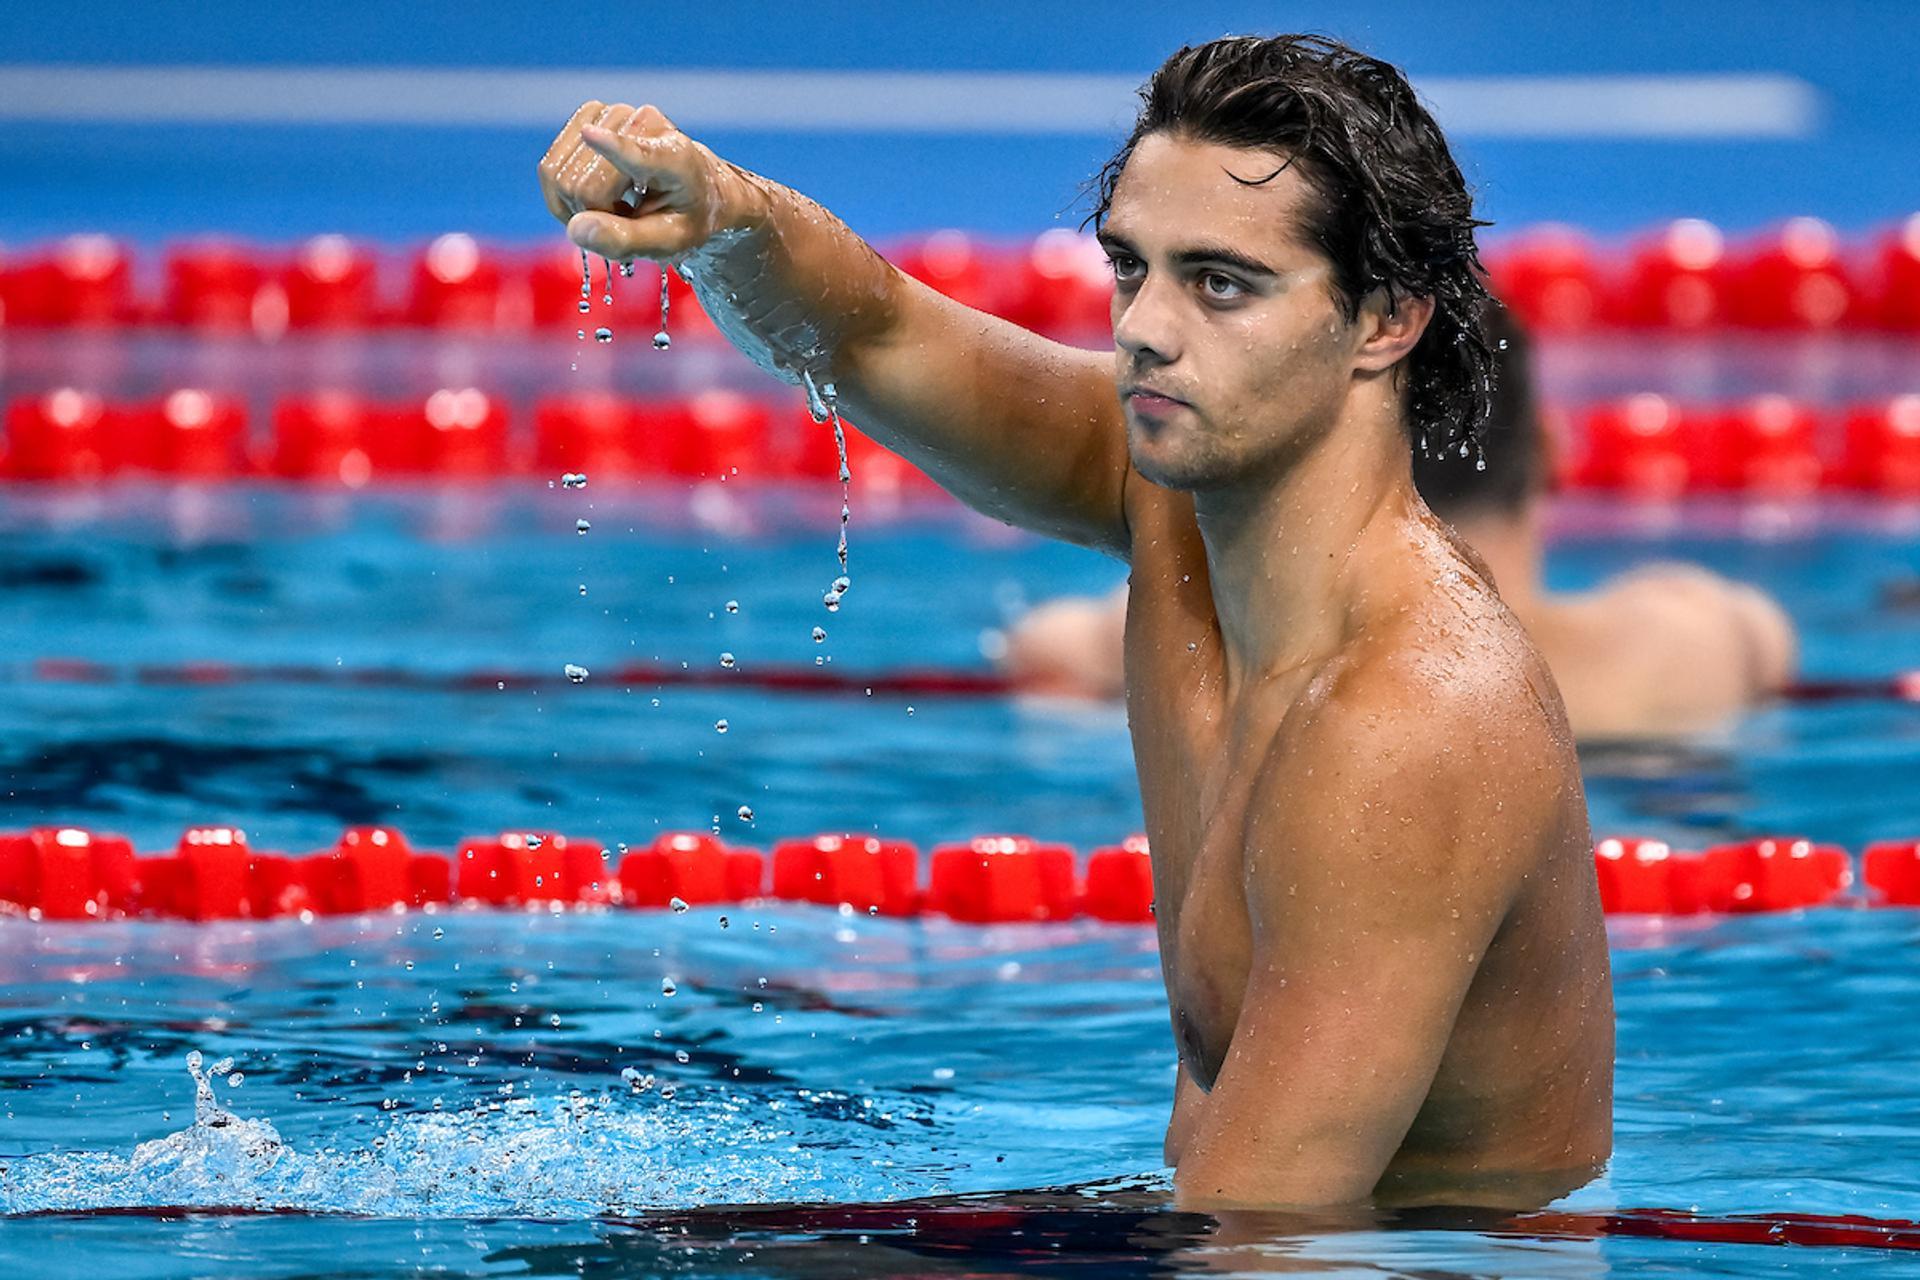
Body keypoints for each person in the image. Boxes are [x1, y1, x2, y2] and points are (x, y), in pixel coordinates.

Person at [540, 33, 1613, 1210]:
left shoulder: (1405, 720)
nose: (1146, 326)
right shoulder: (1170, 496)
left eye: (1220, 283)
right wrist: (726, 214)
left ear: (1385, 321)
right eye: (1131, 268)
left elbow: (1260, 1235)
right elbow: (872, 332)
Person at [1001, 311, 1800, 739]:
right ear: (1551, 450)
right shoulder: (1686, 641)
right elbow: (1768, 638)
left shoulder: (1220, 648)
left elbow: (1043, 646)